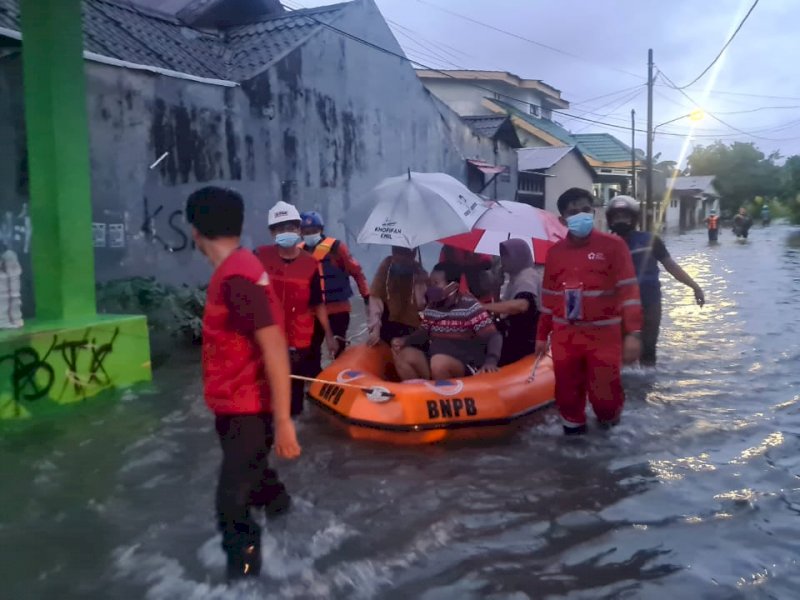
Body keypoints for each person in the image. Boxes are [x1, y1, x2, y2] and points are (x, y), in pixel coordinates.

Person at [186, 186, 300, 581]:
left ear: (195, 231)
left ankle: (244, 583)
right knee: (257, 479)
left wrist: (283, 422)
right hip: (237, 408)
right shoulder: (240, 268)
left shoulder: (238, 276)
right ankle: (290, 521)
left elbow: (274, 347)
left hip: (249, 410)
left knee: (231, 504)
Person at [536, 187, 642, 435]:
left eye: (585, 209)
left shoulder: (613, 246)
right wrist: (541, 336)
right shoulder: (555, 253)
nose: (581, 215)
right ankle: (574, 444)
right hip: (565, 336)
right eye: (573, 212)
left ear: (593, 212)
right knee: (567, 396)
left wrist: (634, 334)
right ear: (563, 219)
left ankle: (610, 435)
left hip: (603, 336)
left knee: (605, 398)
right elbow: (548, 299)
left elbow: (629, 293)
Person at [255, 201, 338, 416]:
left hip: (300, 337)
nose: (286, 232)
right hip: (269, 335)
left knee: (295, 392)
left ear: (299, 229)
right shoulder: (260, 257)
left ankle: (296, 426)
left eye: (291, 227)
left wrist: (329, 335)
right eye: (280, 228)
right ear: (272, 232)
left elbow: (317, 303)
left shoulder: (310, 264)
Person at [606, 196, 705, 367]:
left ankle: (648, 381)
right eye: (617, 216)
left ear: (634, 218)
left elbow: (671, 266)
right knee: (621, 351)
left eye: (625, 216)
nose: (621, 220)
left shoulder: (650, 240)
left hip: (649, 302)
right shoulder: (605, 244)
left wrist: (695, 287)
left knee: (649, 348)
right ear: (610, 220)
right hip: (619, 305)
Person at [393, 262, 502, 380]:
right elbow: (423, 333)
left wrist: (491, 361)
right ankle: (423, 389)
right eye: (430, 283)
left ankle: (444, 388)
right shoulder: (432, 307)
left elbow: (494, 336)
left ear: (453, 286)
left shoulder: (470, 306)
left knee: (439, 363)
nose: (431, 288)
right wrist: (405, 341)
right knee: (404, 356)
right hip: (434, 362)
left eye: (436, 283)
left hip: (463, 365)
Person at [299, 211, 370, 371]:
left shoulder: (336, 248)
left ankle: (339, 377)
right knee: (311, 351)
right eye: (306, 231)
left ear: (321, 230)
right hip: (312, 312)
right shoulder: (298, 251)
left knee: (338, 349)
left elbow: (357, 272)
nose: (310, 234)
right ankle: (315, 380)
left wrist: (366, 296)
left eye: (314, 231)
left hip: (337, 308)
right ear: (301, 233)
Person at [482, 238, 541, 366]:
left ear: (518, 257)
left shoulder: (527, 276)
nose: (503, 260)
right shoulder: (515, 278)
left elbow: (522, 305)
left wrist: (483, 306)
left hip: (526, 341)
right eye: (502, 255)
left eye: (506, 256)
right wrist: (496, 287)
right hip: (513, 336)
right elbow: (501, 313)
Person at [367, 246, 428, 345]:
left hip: (410, 323)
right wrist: (375, 328)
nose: (401, 260)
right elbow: (375, 297)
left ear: (413, 255)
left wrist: (420, 283)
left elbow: (421, 305)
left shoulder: (418, 271)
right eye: (398, 256)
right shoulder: (387, 266)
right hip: (388, 319)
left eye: (405, 258)